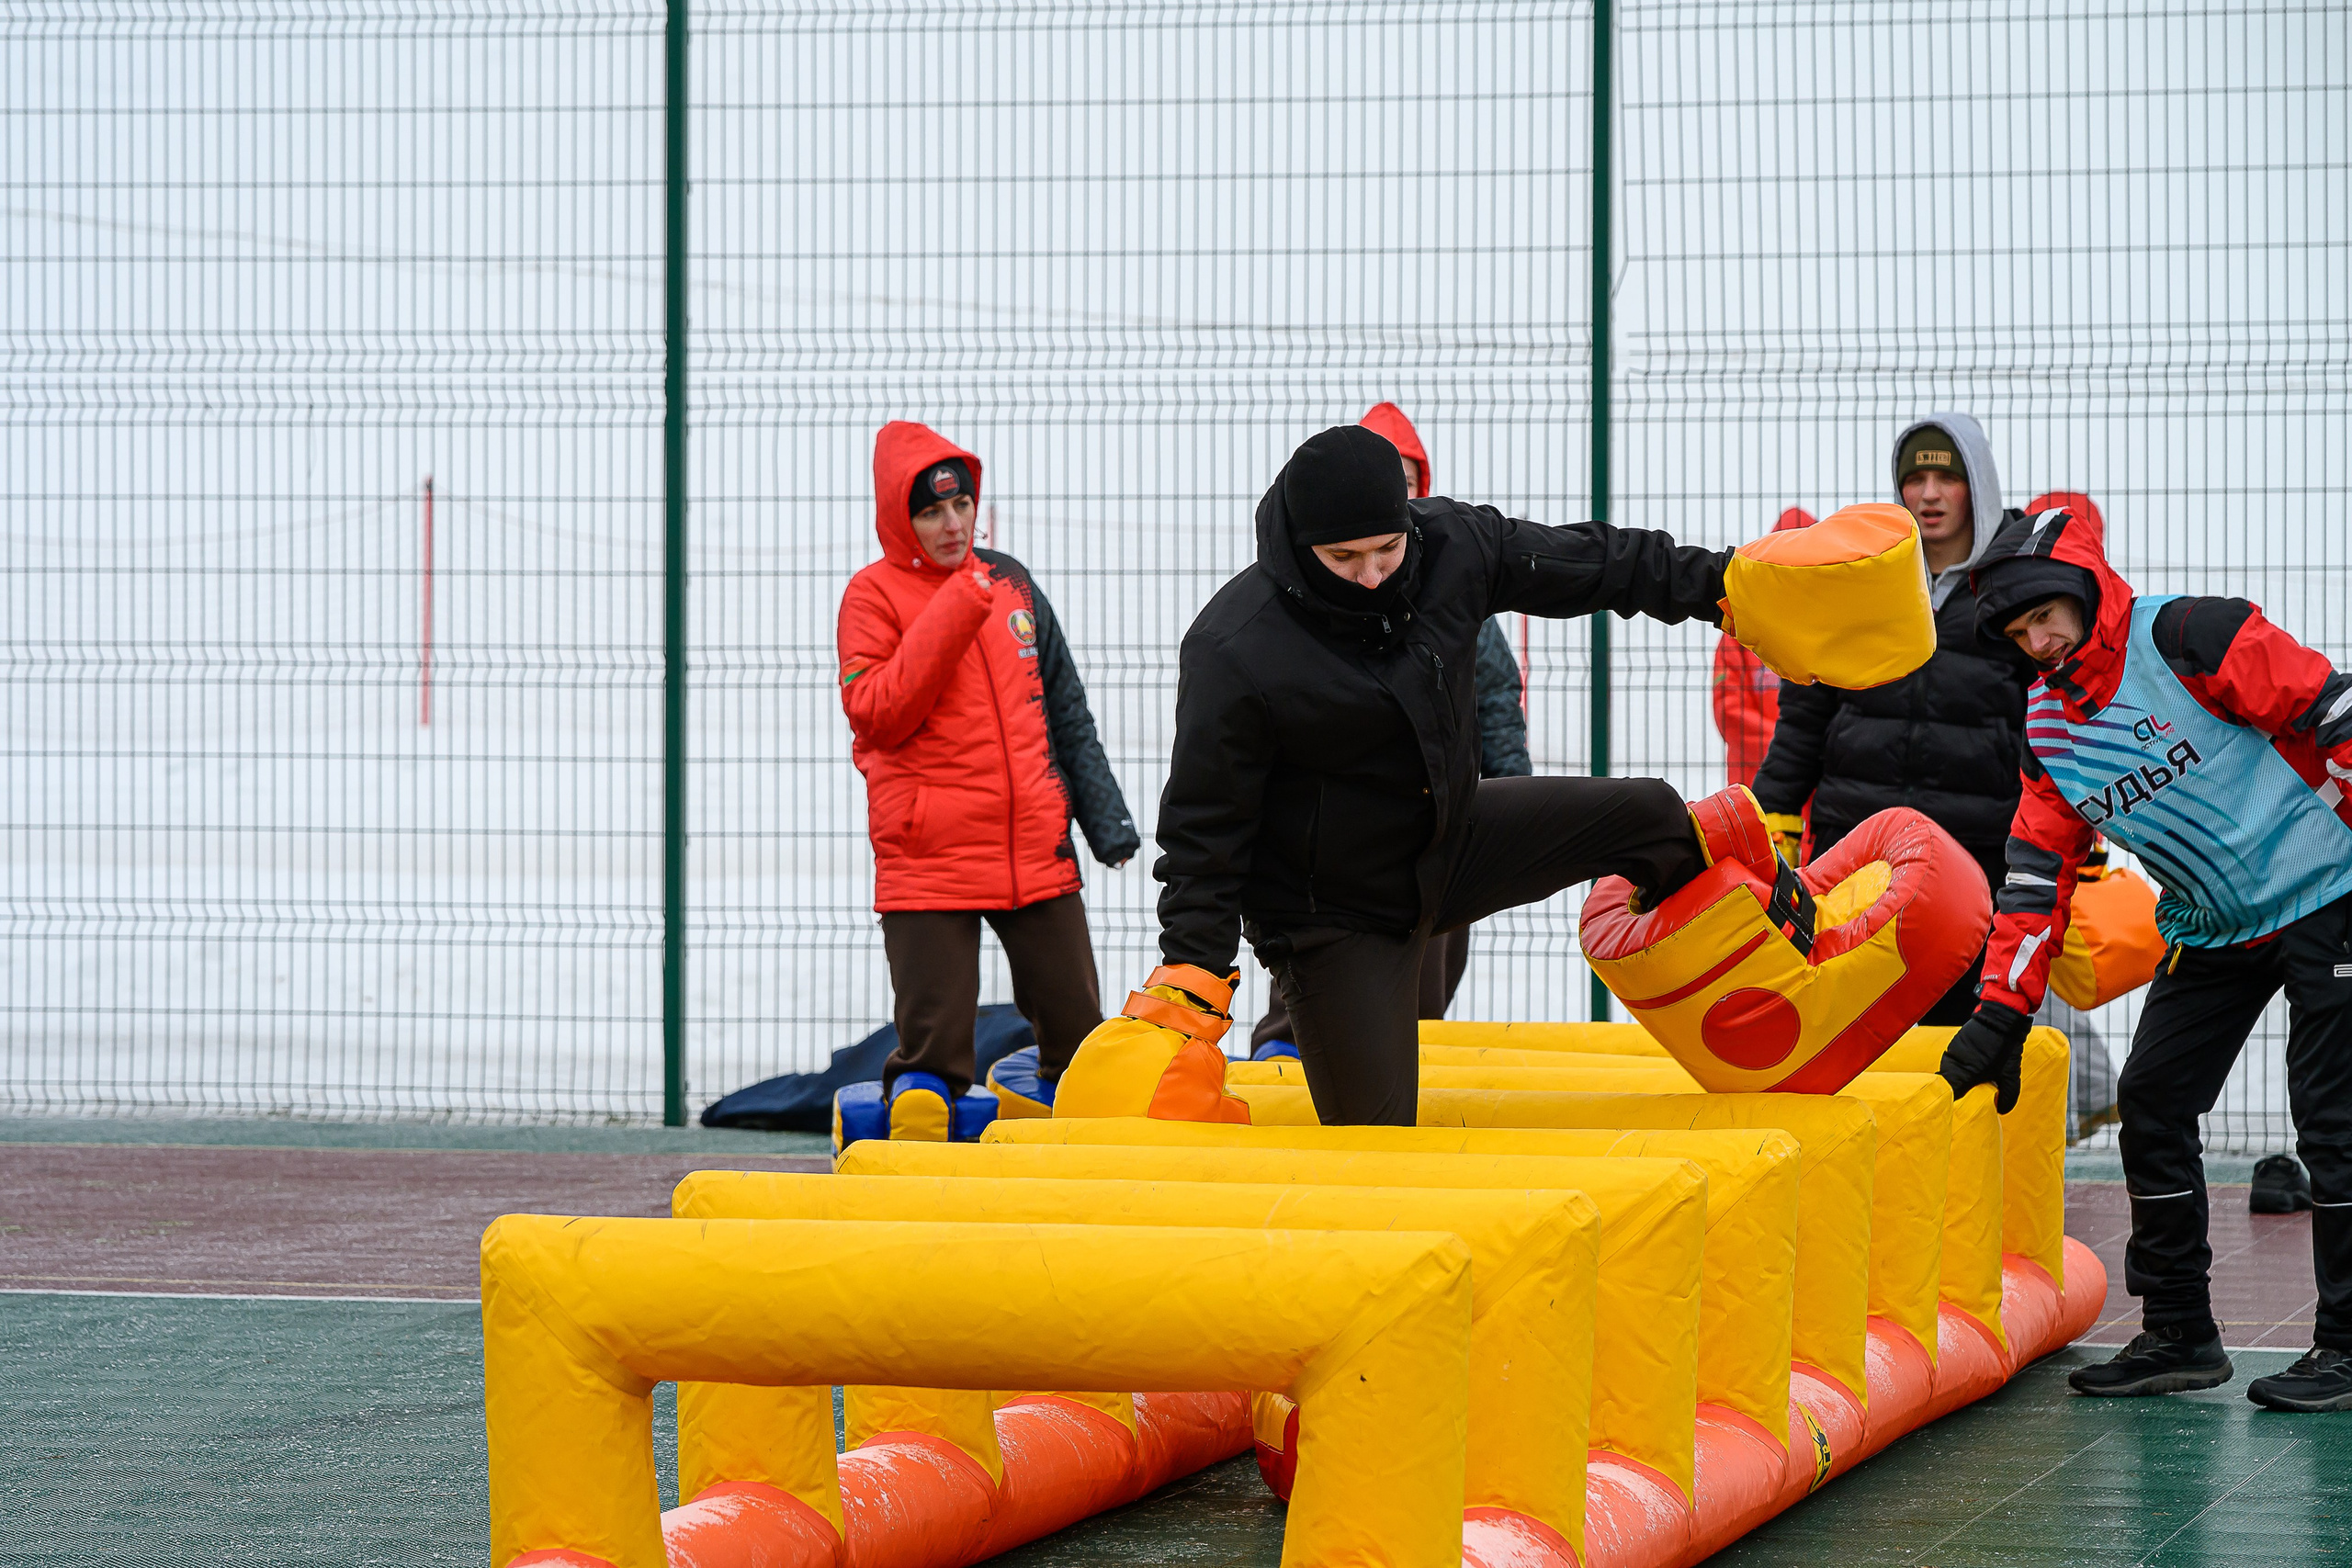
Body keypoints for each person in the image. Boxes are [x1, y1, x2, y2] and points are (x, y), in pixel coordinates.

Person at [1155, 423, 1736, 1126]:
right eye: (1344, 558)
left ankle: (1746, 1001)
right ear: (1302, 546)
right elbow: (1205, 832)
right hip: (1335, 916)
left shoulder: (1452, 546)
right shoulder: (1236, 647)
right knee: (1378, 1134)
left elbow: (1596, 562)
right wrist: (1189, 992)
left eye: (1387, 549)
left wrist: (1726, 586)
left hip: (1450, 843)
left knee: (1651, 815)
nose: (1373, 574)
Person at [1939, 502, 2352, 1411]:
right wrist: (1999, 1015)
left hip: (2330, 891)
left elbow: (2332, 707)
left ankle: (2349, 1345)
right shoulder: (2047, 733)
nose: (2038, 641)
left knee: (2333, 1119)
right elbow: (2035, 878)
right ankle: (2178, 1333)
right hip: (2212, 925)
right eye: (2018, 632)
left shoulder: (2191, 635)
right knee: (2154, 1099)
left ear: (2084, 589)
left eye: (2045, 615)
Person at [837, 422, 1141, 1132]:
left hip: (1034, 848)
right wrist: (952, 607)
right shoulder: (872, 596)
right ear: (899, 518)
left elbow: (1065, 708)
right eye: (930, 511)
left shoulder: (1011, 583)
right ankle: (920, 1157)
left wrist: (1106, 822)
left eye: (962, 505)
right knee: (933, 1060)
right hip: (931, 857)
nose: (953, 524)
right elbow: (877, 713)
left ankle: (1075, 1174)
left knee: (1081, 1046)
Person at [1248, 403, 1531, 1054]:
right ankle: (1285, 1058)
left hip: (1436, 815)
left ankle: (1405, 1065)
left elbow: (1494, 696)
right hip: (1336, 827)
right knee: (1317, 965)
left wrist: (1510, 790)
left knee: (1426, 973)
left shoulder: (1452, 593)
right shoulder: (1304, 597)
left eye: (1404, 483)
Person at [1751, 414, 2032, 1023]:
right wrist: (1772, 813)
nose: (1929, 494)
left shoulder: (2020, 586)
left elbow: (2052, 726)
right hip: (1857, 846)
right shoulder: (1862, 574)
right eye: (1915, 478)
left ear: (1978, 486)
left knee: (1956, 1031)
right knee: (1849, 1020)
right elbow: (1805, 712)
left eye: (1947, 477)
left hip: (1976, 854)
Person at [1712, 508, 1815, 788]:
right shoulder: (1738, 629)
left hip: (1816, 794)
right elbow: (1728, 711)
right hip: (1754, 787)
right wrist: (1792, 749)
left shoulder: (1829, 632)